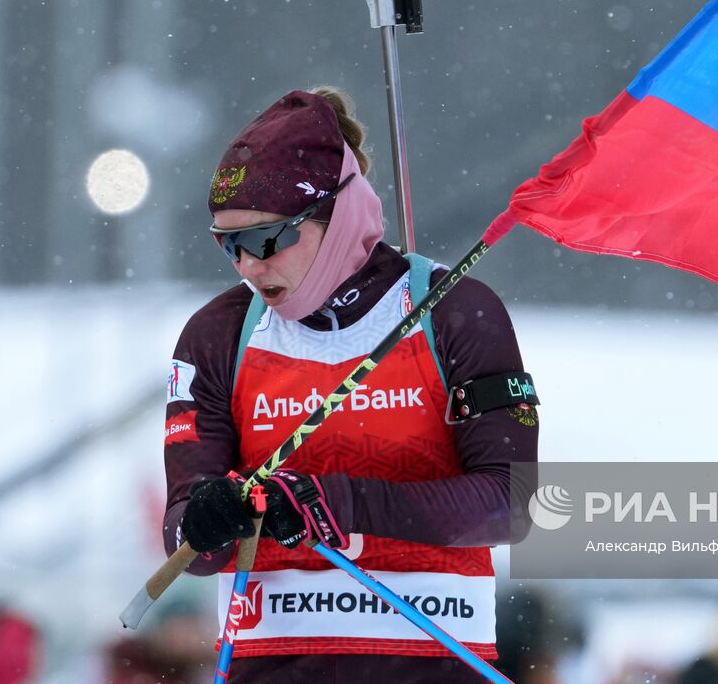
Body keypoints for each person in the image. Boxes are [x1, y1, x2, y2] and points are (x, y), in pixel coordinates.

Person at [162, 87, 539, 682]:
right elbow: (188, 544)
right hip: (273, 667)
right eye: (228, 244)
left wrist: (337, 503)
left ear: (337, 217)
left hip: (434, 661)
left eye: (266, 239)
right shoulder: (217, 333)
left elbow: (509, 503)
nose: (248, 266)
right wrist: (203, 520)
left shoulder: (453, 310)